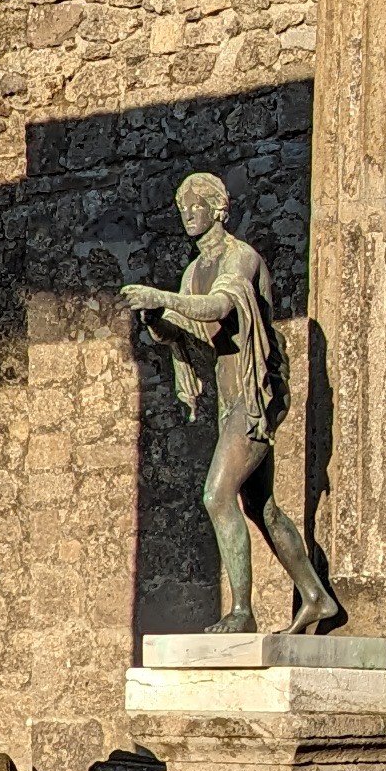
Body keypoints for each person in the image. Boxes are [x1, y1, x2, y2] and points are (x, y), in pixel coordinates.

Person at [120, 171, 343, 634]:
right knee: (261, 506)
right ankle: (317, 597)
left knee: (216, 494)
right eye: (182, 207)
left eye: (196, 204)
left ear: (218, 209)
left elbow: (220, 308)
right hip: (230, 395)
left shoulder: (240, 258)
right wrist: (156, 320)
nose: (188, 213)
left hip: (256, 393)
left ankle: (242, 612)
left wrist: (163, 297)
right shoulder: (193, 271)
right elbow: (195, 334)